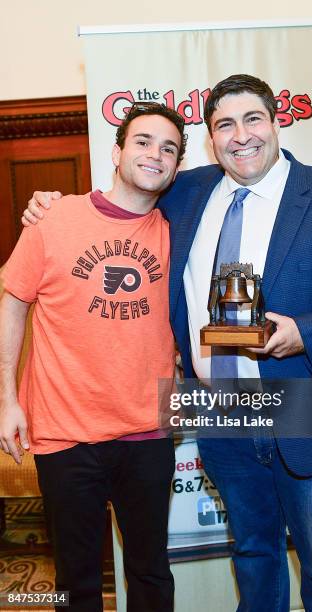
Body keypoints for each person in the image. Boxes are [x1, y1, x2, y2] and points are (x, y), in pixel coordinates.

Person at [22, 74, 312, 612]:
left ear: (276, 123)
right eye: (225, 124)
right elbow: (120, 193)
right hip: (221, 406)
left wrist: (307, 333)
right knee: (254, 555)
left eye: (253, 119)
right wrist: (50, 203)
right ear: (211, 138)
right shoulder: (187, 191)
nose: (240, 135)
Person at [0, 101, 188, 612]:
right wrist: (7, 401)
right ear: (117, 151)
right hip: (64, 432)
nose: (155, 154)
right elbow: (13, 303)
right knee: (74, 579)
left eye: (168, 148)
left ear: (177, 166)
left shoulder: (177, 233)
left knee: (151, 571)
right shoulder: (54, 217)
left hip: (147, 432)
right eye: (144, 142)